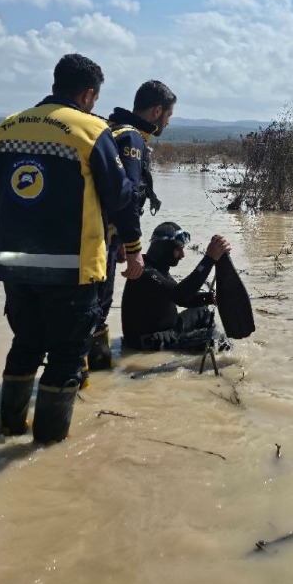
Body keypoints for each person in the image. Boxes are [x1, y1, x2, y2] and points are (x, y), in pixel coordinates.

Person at [0, 54, 144, 444]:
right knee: (67, 357)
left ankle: (10, 428)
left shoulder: (6, 128)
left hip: (14, 265)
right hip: (72, 268)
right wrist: (133, 247)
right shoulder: (90, 130)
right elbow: (120, 197)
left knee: (25, 346)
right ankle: (46, 450)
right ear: (88, 94)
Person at [84, 80, 177, 378]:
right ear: (157, 111)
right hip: (101, 241)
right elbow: (127, 197)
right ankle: (95, 382)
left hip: (84, 234)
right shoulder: (132, 138)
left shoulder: (110, 129)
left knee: (83, 313)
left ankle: (88, 379)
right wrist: (132, 245)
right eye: (168, 116)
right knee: (97, 310)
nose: (168, 122)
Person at [120, 222, 231, 352]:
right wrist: (209, 259)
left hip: (172, 328)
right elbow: (180, 295)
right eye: (178, 249)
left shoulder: (158, 267)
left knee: (203, 311)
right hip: (155, 341)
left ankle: (204, 338)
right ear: (164, 248)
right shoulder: (144, 272)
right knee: (218, 343)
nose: (182, 255)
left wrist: (210, 298)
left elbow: (183, 298)